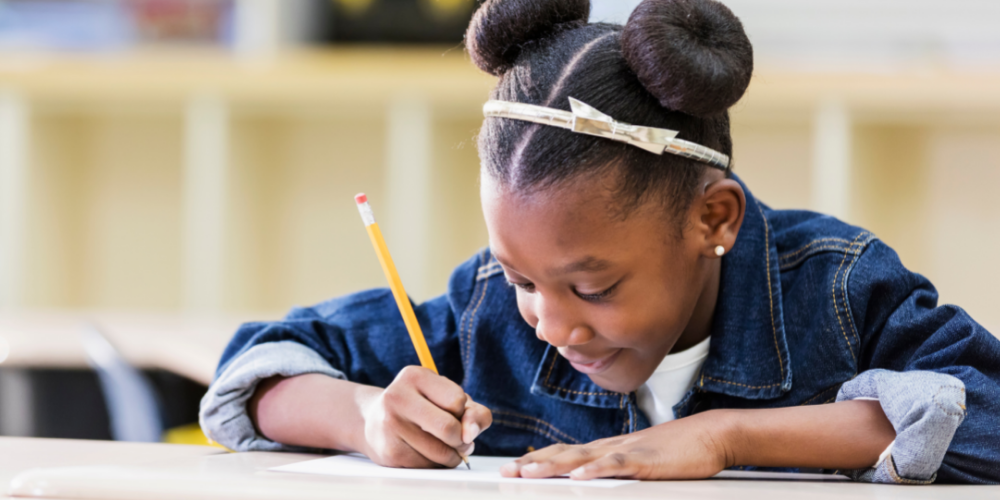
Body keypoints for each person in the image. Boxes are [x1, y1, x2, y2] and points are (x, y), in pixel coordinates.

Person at [200, 0, 1000, 484]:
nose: (548, 323)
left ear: (713, 220)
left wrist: (722, 438)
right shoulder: (488, 311)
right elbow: (258, 366)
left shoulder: (832, 288)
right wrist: (364, 418)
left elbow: (986, 413)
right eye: (521, 277)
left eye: (593, 287)